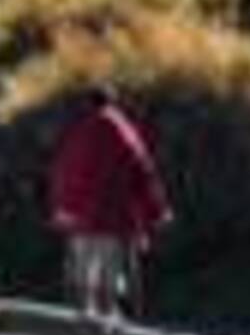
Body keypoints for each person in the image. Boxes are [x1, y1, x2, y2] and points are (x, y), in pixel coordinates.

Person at [46, 83, 170, 322]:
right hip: (112, 217)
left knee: (83, 275)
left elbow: (62, 172)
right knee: (109, 274)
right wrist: (157, 211)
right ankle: (107, 323)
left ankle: (84, 324)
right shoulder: (124, 130)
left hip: (80, 218)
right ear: (113, 102)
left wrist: (61, 209)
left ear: (88, 104)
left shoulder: (77, 133)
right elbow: (143, 171)